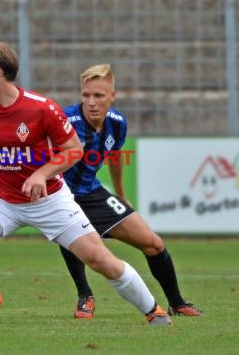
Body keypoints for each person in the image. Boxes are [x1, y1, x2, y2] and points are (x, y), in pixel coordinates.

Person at [0, 41, 172, 324]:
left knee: (100, 260)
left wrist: (41, 173)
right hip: (0, 200)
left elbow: (74, 149)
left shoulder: (41, 108)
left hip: (50, 201)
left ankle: (154, 312)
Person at [60, 63, 203, 319]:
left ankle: (177, 303)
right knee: (72, 238)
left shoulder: (117, 123)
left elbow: (115, 157)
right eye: (86, 95)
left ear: (112, 96)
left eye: (99, 95)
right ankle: (85, 296)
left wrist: (121, 194)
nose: (91, 102)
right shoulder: (65, 120)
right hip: (60, 196)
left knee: (153, 243)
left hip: (93, 193)